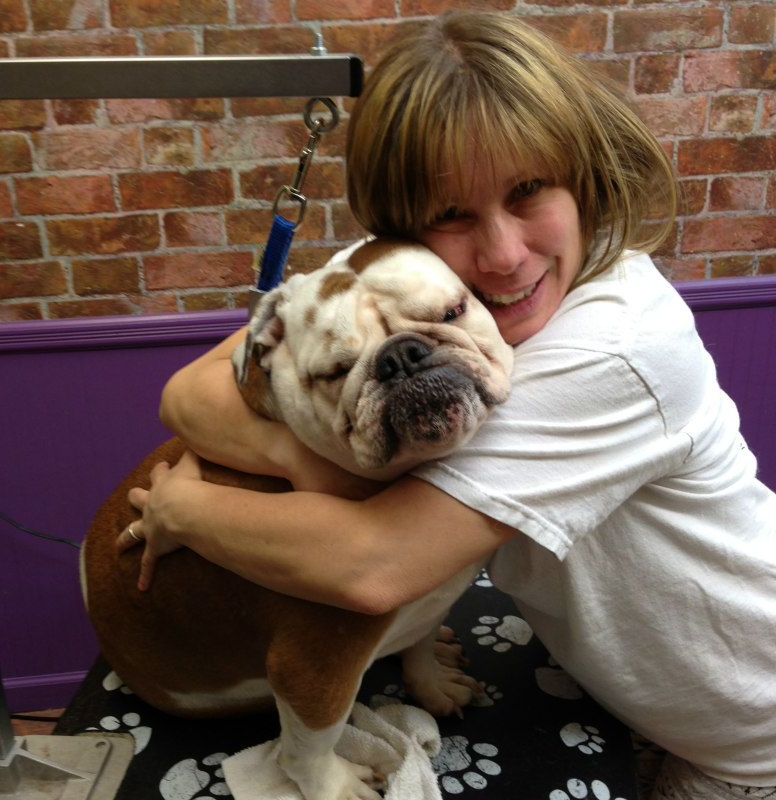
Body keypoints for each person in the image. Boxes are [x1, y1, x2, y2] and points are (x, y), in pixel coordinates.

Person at [117, 12, 776, 800]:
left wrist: (187, 511)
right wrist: (302, 459)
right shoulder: (413, 284)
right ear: (399, 232)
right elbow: (186, 393)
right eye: (450, 214)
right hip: (638, 699)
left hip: (751, 735)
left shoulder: (618, 345)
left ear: (586, 174)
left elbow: (372, 565)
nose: (501, 255)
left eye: (528, 189)